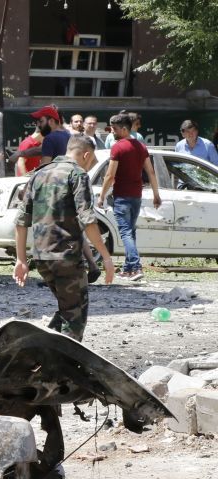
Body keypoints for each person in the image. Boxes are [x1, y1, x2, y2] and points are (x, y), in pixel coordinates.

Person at [13, 135, 116, 341]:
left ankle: (43, 349)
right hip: (66, 257)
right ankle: (60, 363)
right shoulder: (77, 174)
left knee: (67, 307)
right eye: (92, 160)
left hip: (43, 257)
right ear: (86, 154)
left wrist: (21, 260)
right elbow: (88, 220)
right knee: (75, 315)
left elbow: (21, 220)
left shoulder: (39, 174)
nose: (90, 165)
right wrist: (106, 257)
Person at [97, 112, 162, 282]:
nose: (112, 133)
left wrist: (101, 196)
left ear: (125, 129)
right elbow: (151, 171)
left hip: (122, 196)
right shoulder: (141, 147)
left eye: (115, 129)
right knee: (130, 232)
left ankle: (136, 266)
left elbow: (110, 175)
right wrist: (156, 194)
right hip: (136, 196)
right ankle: (128, 269)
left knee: (125, 232)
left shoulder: (118, 147)